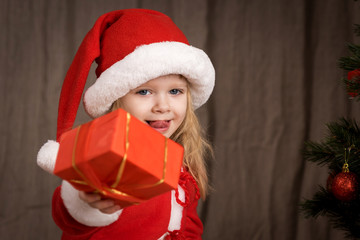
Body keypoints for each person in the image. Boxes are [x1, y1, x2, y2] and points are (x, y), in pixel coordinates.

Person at [37, 9, 215, 239]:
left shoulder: (182, 164)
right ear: (117, 100)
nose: (163, 106)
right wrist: (87, 202)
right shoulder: (106, 157)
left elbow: (187, 224)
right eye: (144, 91)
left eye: (174, 91)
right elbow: (71, 218)